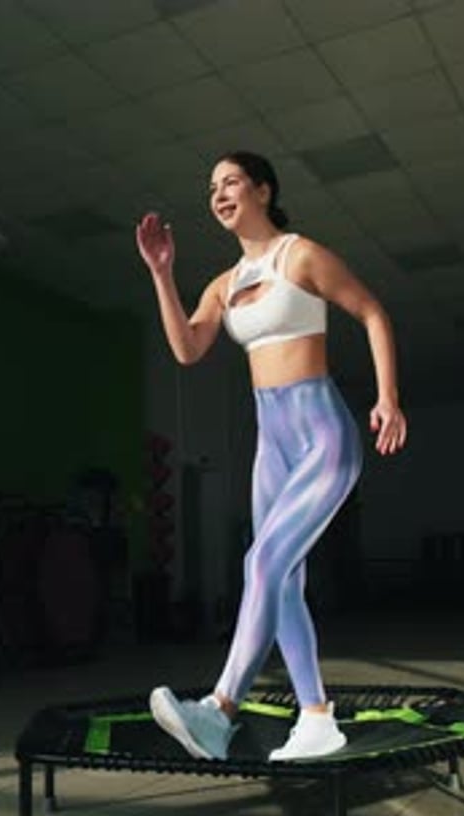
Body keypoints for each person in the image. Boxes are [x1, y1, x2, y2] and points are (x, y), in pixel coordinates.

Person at [136, 150, 407, 762]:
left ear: (262, 189)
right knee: (280, 581)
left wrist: (388, 398)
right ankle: (316, 718)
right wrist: (162, 272)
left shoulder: (301, 255)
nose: (219, 193)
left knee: (261, 565)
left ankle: (219, 709)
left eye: (231, 182)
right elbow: (187, 349)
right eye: (211, 187)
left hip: (322, 438)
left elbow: (371, 311)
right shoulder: (222, 285)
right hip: (272, 445)